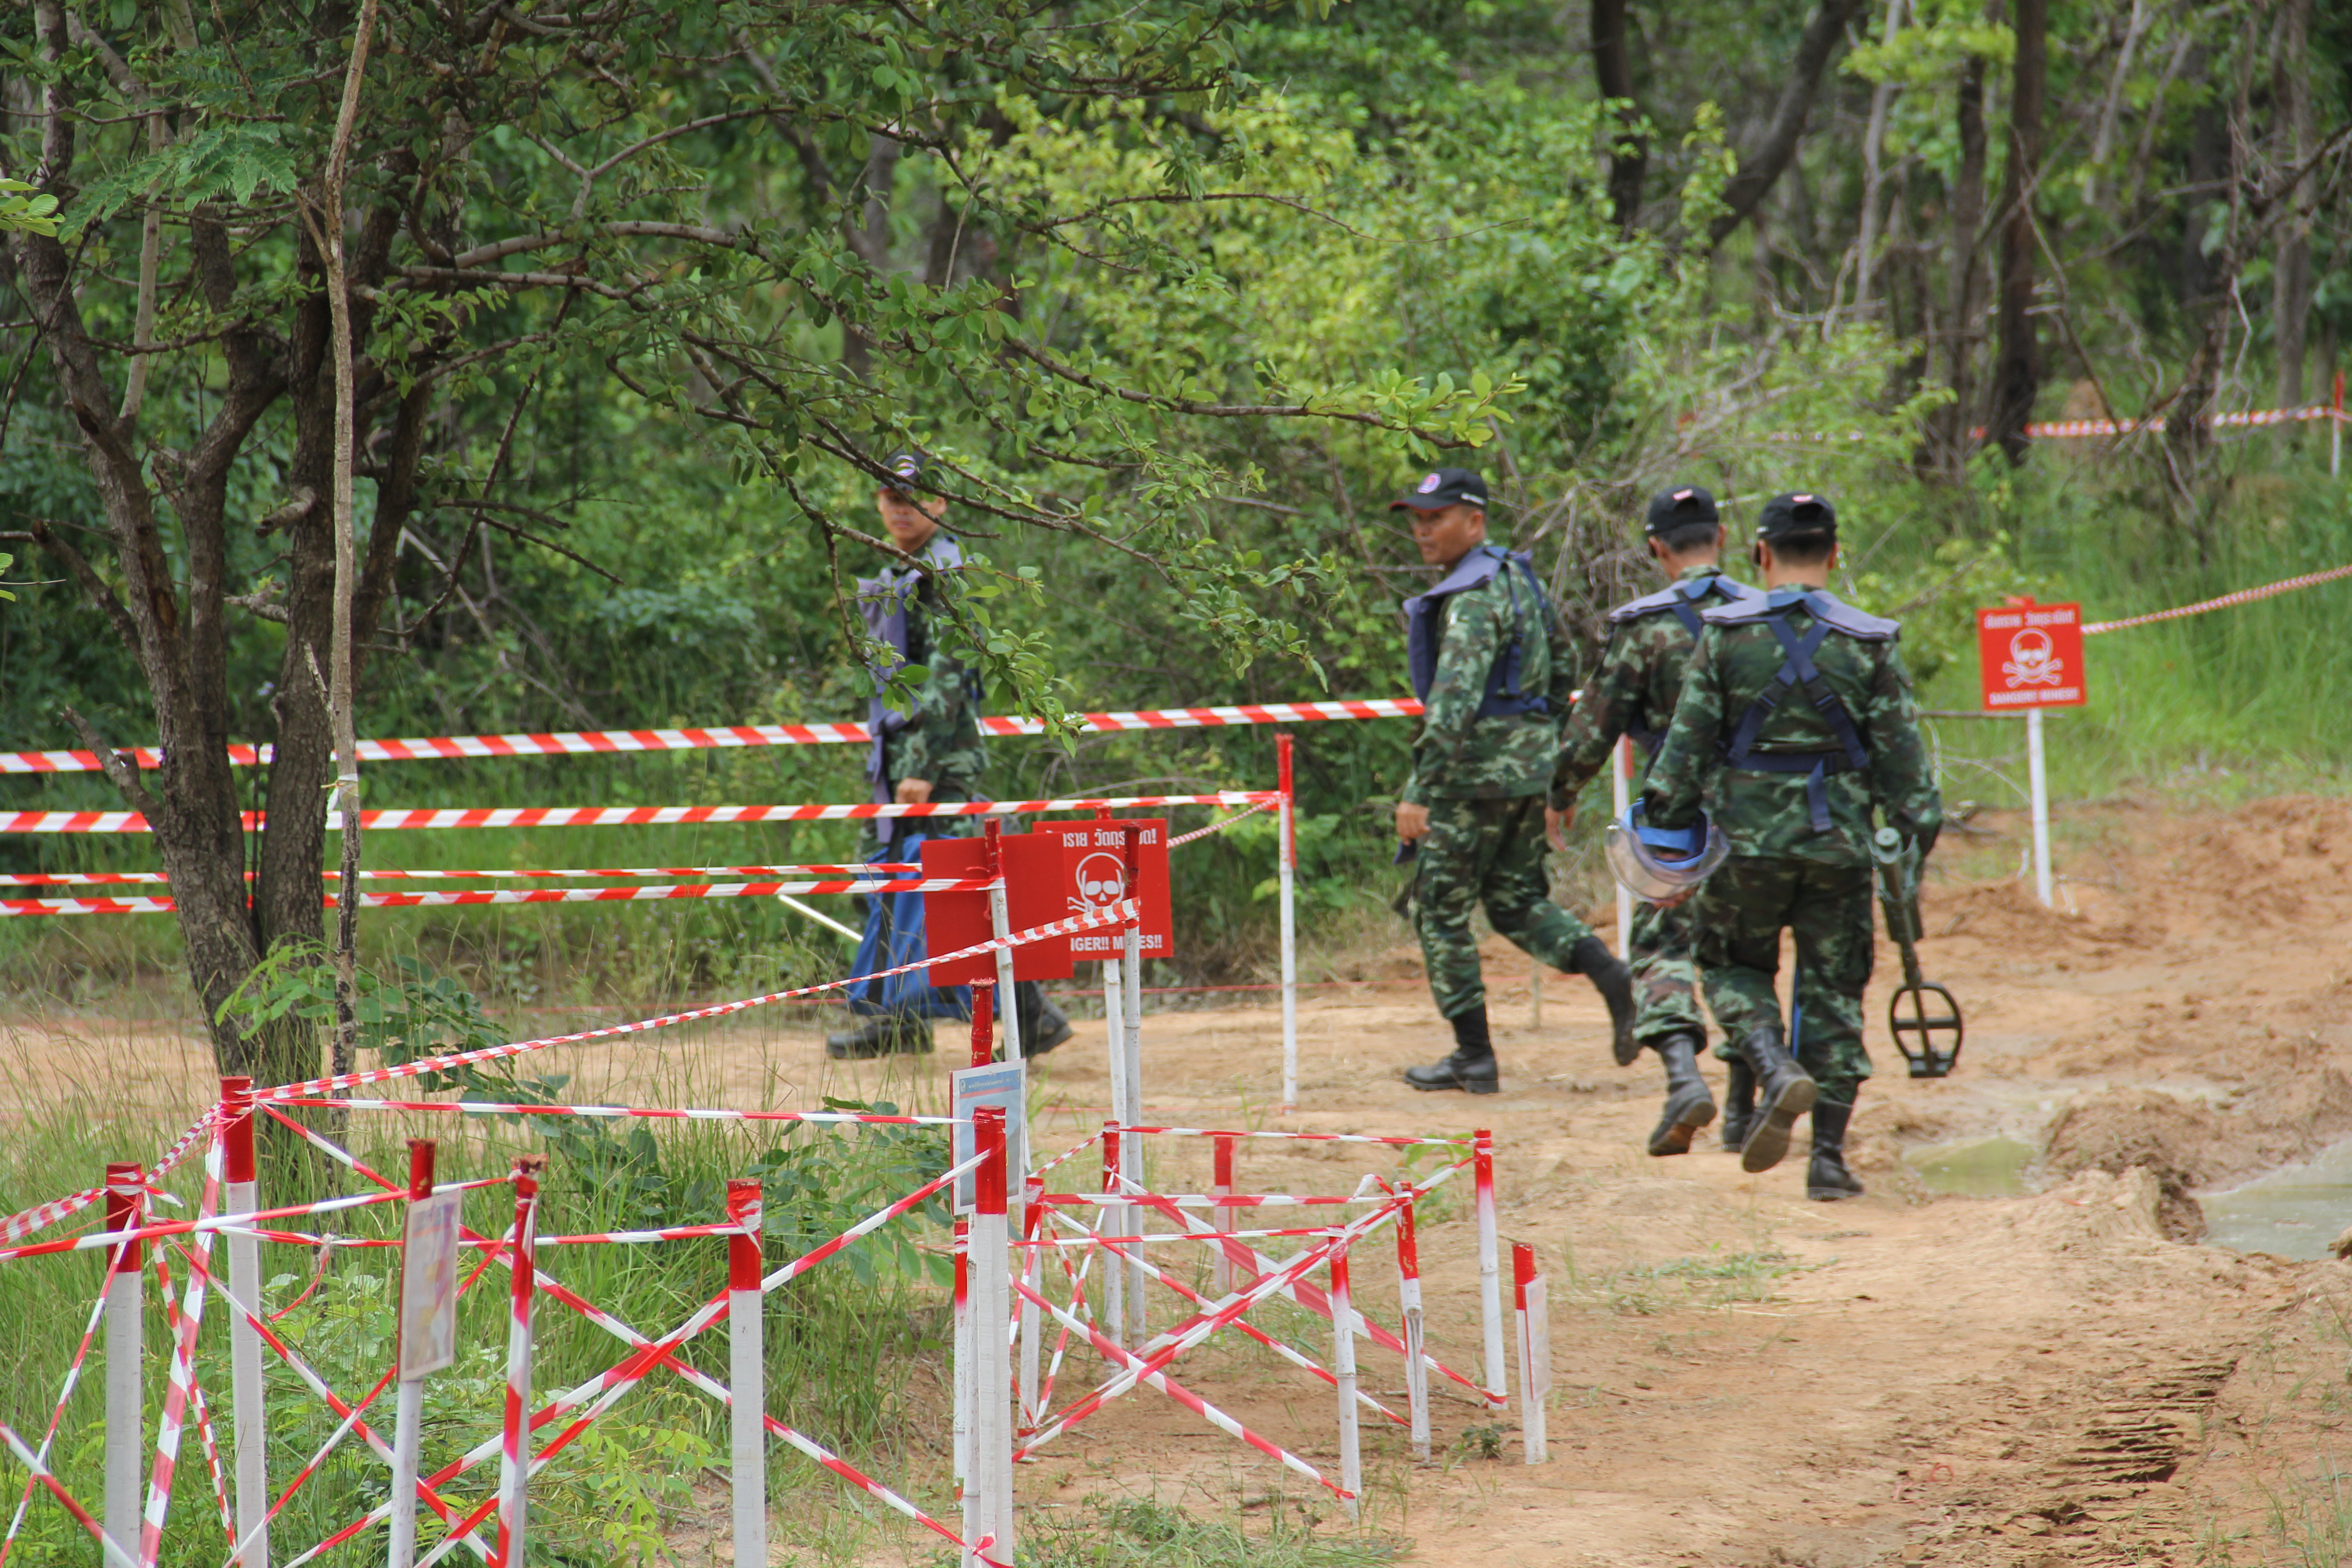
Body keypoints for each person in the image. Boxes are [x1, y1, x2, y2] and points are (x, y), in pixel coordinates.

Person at [1641, 492, 1942, 1198]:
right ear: (1835, 553)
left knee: (1731, 966)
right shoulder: (1870, 642)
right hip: (1839, 852)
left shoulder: (1725, 637)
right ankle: (1828, 1161)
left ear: (1760, 554)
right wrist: (1904, 864)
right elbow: (1912, 787)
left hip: (1743, 851)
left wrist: (1669, 853)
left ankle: (1774, 1067)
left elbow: (1679, 761)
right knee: (1835, 995)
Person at [1389, 467, 1637, 1094]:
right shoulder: (1519, 579)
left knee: (1438, 910)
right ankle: (1611, 975)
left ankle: (1473, 1057)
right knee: (1512, 901)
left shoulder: (1472, 596)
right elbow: (1565, 666)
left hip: (1469, 781)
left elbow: (1453, 701)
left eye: (1436, 518)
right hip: (1527, 773)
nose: (1423, 531)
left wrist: (1420, 789)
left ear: (1474, 522)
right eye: (1417, 520)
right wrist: (1538, 746)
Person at [825, 451, 1074, 1061]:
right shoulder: (900, 568)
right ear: (879, 503)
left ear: (939, 503)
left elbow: (948, 675)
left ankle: (1032, 1017)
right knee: (883, 880)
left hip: (938, 764)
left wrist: (923, 767)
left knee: (964, 892)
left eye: (914, 498)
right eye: (892, 498)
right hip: (898, 759)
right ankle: (899, 1019)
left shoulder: (948, 571)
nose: (901, 509)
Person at [1548, 487, 1762, 1156]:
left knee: (1661, 943)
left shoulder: (1645, 627)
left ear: (1655, 548)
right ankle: (1742, 1112)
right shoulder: (1766, 617)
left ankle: (1682, 1080)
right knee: (1746, 957)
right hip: (1764, 812)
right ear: (1722, 537)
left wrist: (1561, 790)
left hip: (1679, 818)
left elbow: (1595, 725)